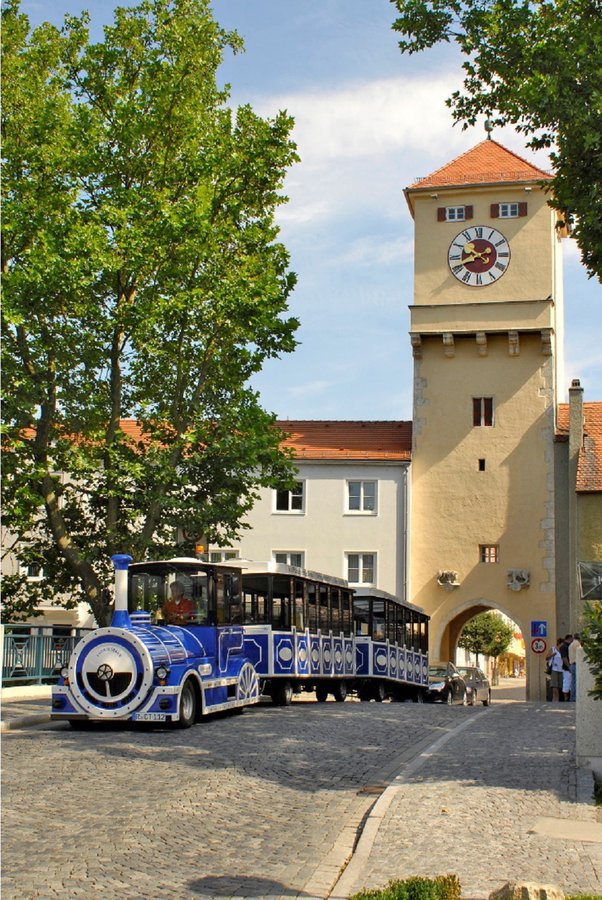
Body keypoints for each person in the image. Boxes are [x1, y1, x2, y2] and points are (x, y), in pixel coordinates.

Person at [568, 632, 582, 702]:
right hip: (576, 664)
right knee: (576, 682)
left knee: (573, 682)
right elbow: (580, 653)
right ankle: (575, 697)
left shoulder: (571, 644)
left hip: (572, 664)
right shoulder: (577, 644)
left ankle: (572, 697)